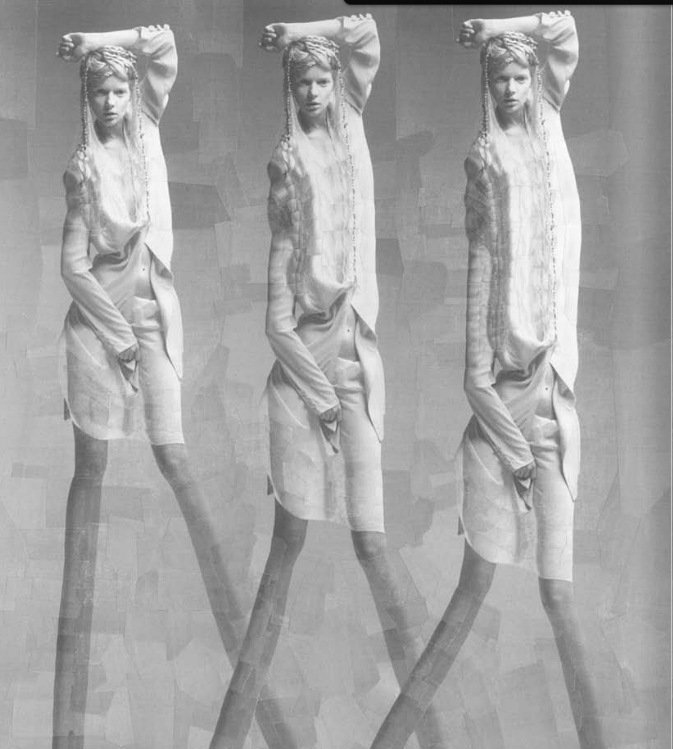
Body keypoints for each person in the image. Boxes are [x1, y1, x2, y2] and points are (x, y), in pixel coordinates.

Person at [370, 11, 607, 749]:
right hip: (500, 429)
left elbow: (561, 31)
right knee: (472, 590)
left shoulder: (550, 141)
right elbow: (476, 379)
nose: (508, 87)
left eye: (518, 76)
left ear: (535, 82)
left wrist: (494, 31)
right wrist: (515, 458)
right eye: (497, 78)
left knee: (558, 598)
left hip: (552, 417)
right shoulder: (485, 246)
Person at [209, 14, 442, 749]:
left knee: (373, 545)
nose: (312, 91)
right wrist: (318, 399)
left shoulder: (352, 138)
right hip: (299, 383)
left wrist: (293, 33)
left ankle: (429, 731)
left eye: (321, 79)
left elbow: (364, 33)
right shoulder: (287, 178)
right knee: (287, 544)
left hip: (355, 373)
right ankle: (230, 732)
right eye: (300, 81)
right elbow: (277, 325)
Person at [52, 25, 288, 749]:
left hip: (153, 325)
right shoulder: (84, 168)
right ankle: (66, 726)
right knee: (90, 476)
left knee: (176, 461)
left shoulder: (149, 128)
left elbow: (160, 45)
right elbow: (73, 268)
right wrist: (117, 338)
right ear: (88, 99)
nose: (111, 102)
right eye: (99, 92)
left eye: (119, 90)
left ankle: (254, 697)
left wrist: (93, 42)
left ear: (135, 95)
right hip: (98, 332)